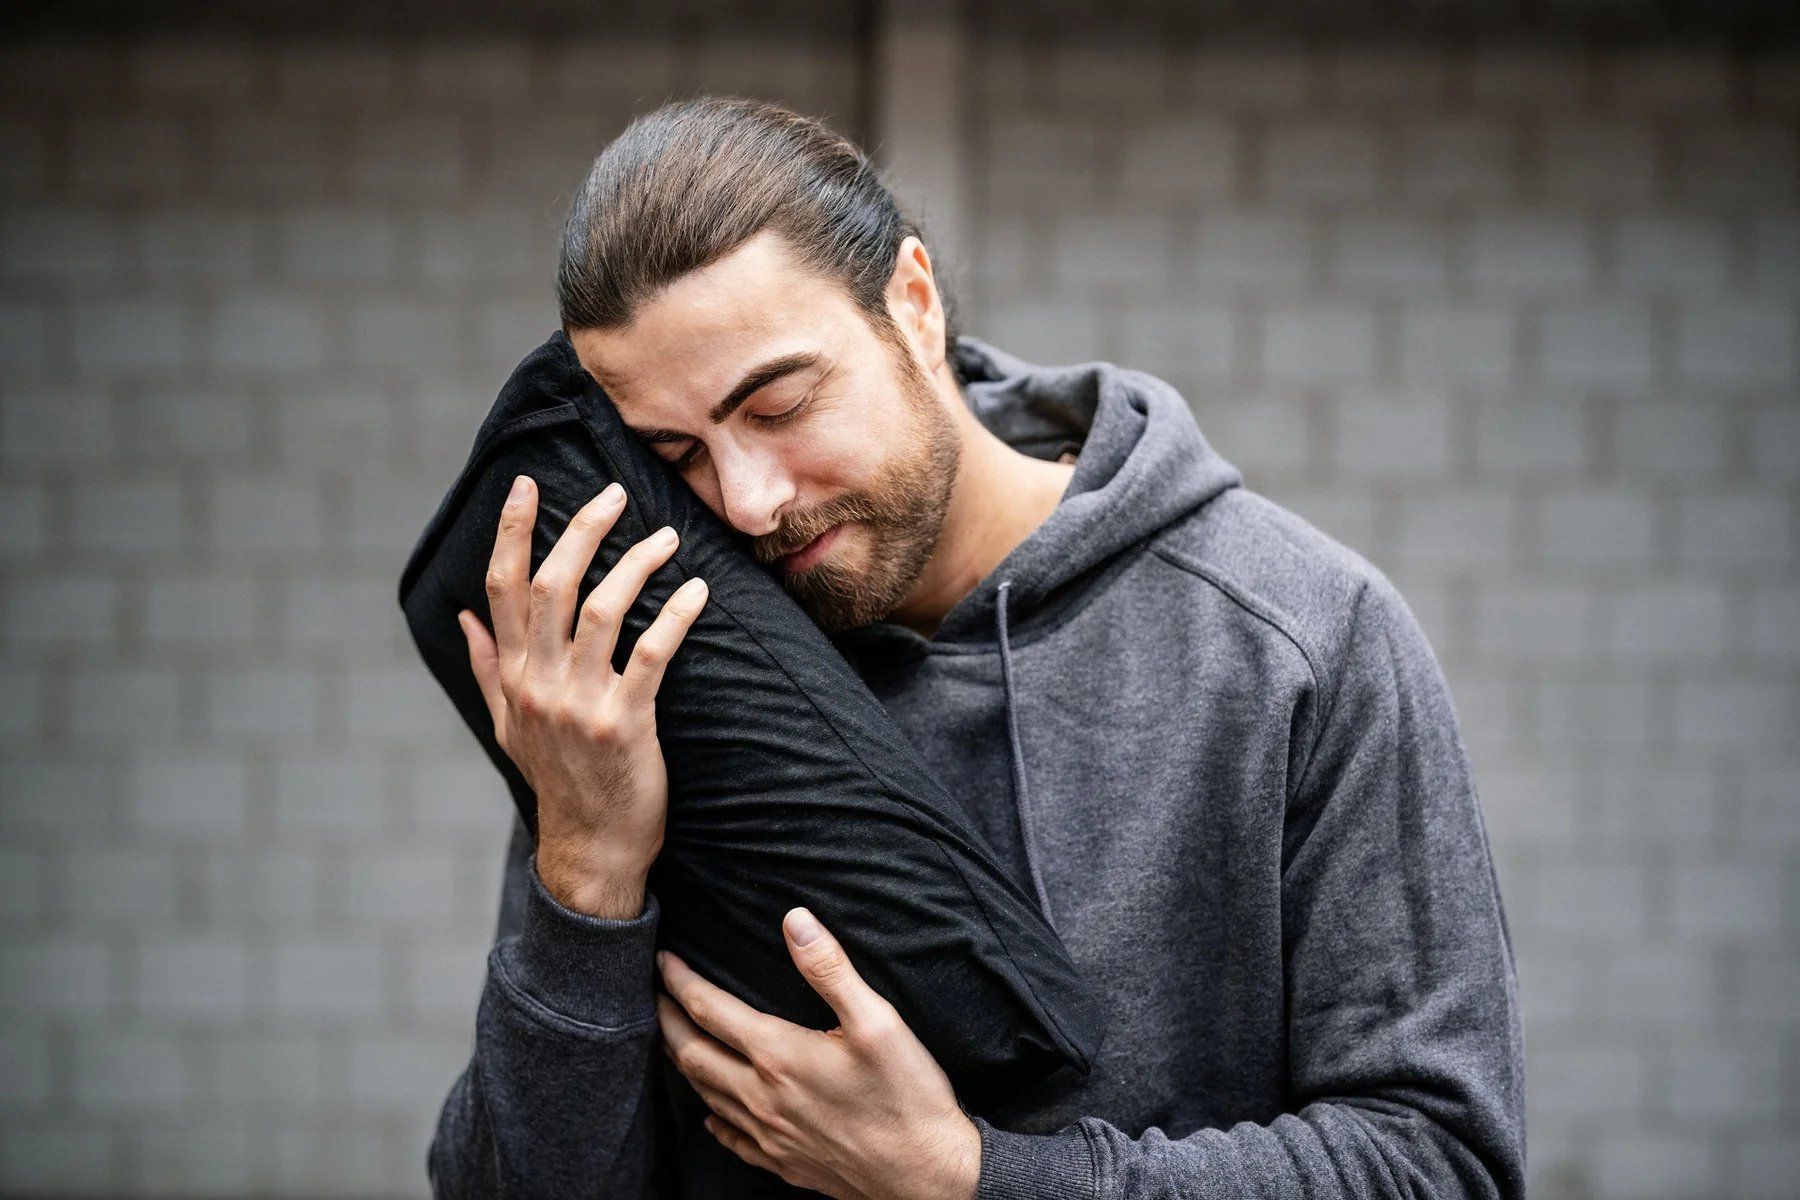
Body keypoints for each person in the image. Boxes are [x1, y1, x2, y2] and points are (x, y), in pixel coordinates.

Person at [427, 96, 1526, 1199]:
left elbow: (1439, 1165)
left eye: (779, 406)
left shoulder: (1298, 638)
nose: (749, 502)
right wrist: (588, 866)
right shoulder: (656, 673)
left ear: (913, 305)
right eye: (678, 456)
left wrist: (962, 1178)